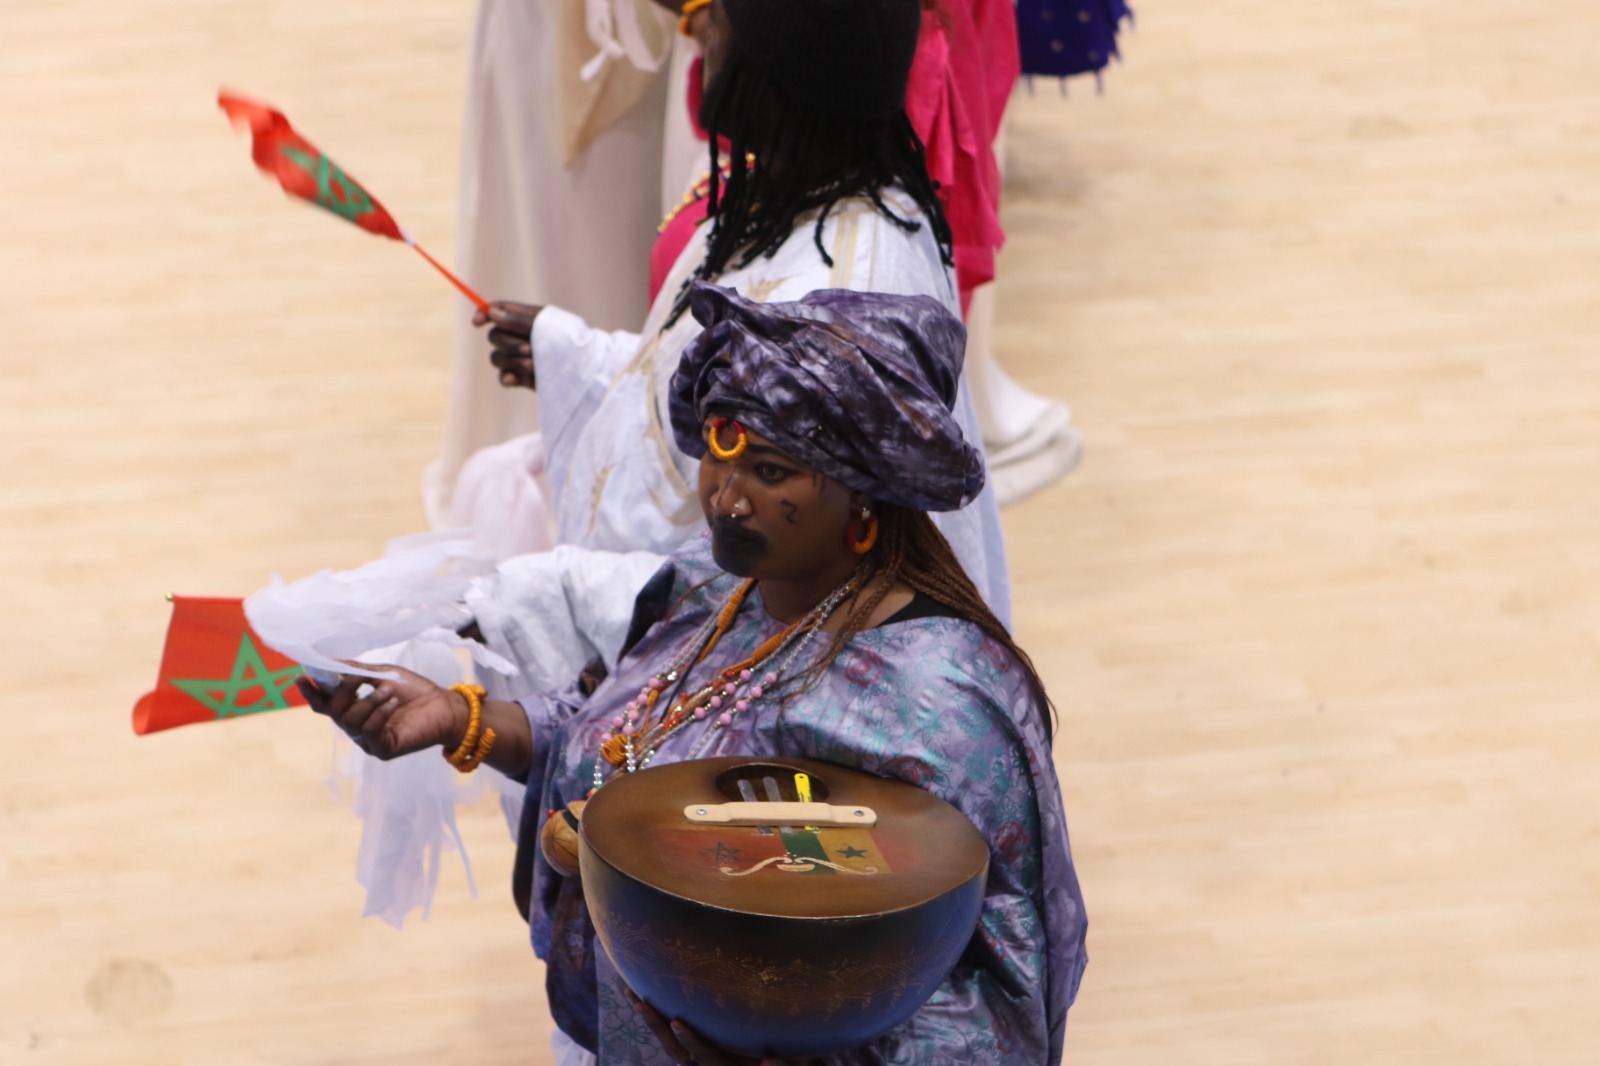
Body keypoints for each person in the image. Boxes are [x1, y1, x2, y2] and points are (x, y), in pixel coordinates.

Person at [301, 283, 1087, 1064]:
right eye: (718, 451)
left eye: (770, 471)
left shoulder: (941, 700)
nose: (726, 497)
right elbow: (625, 735)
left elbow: (1000, 987)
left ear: (865, 497)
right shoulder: (716, 591)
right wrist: (461, 720)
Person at [473, 0, 1013, 623]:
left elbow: (761, 590)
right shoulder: (795, 195)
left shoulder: (835, 301)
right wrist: (572, 354)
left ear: (773, 74)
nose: (702, 32)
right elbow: (717, 390)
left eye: (720, 24)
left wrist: (537, 600)